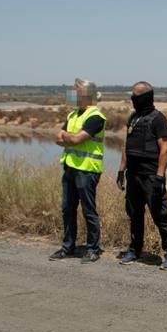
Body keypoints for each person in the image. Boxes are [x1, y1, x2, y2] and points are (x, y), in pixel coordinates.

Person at [116, 82, 167, 269]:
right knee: (134, 214)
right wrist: (121, 170)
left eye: (135, 97)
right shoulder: (133, 118)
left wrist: (159, 176)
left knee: (160, 215)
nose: (133, 100)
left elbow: (165, 149)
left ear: (145, 97)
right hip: (133, 175)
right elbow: (127, 146)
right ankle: (135, 250)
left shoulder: (158, 119)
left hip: (151, 177)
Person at [50, 78, 106, 262]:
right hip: (70, 168)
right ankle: (68, 247)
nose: (72, 95)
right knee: (67, 209)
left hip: (87, 171)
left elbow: (75, 140)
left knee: (88, 210)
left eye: (76, 92)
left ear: (86, 95)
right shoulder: (72, 115)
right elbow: (57, 139)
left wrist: (67, 136)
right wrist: (68, 136)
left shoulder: (96, 116)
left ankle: (92, 249)